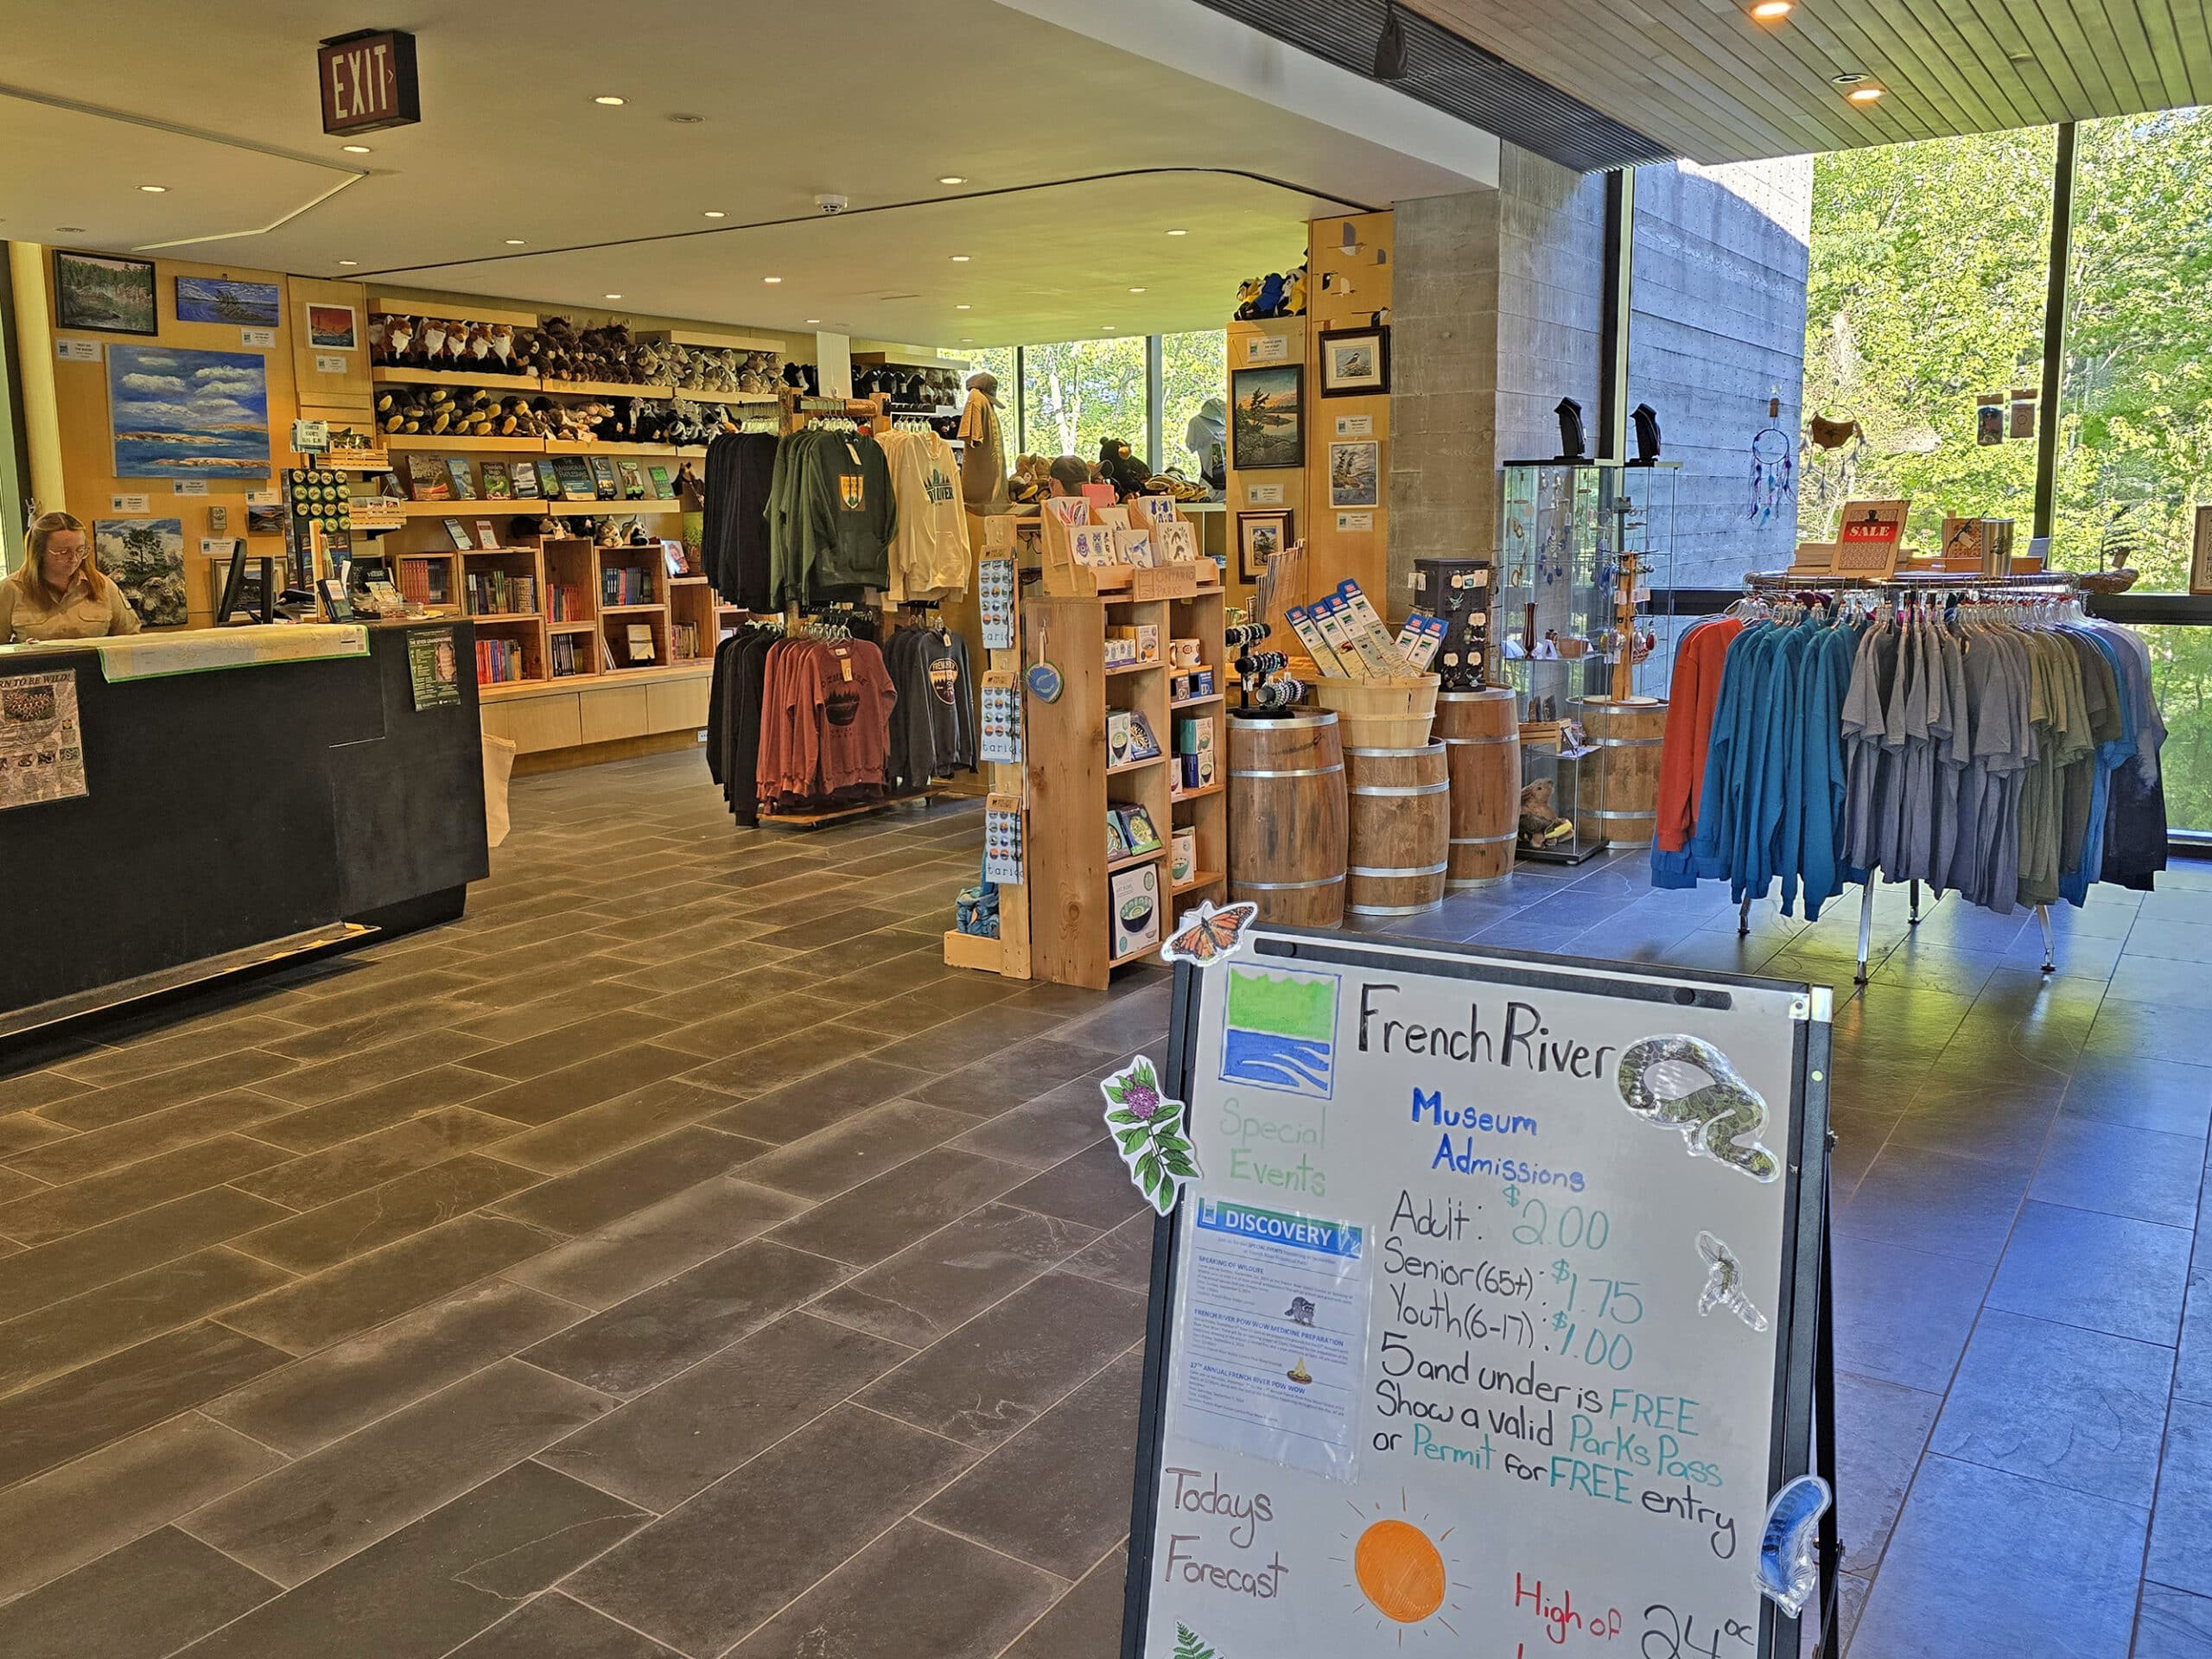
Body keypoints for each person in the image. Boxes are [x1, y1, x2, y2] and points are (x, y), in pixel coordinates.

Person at [0, 512, 143, 643]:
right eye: (63, 552)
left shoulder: (103, 585)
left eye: (80, 550)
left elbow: (130, 639)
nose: (74, 559)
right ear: (39, 552)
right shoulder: (11, 589)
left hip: (93, 669)